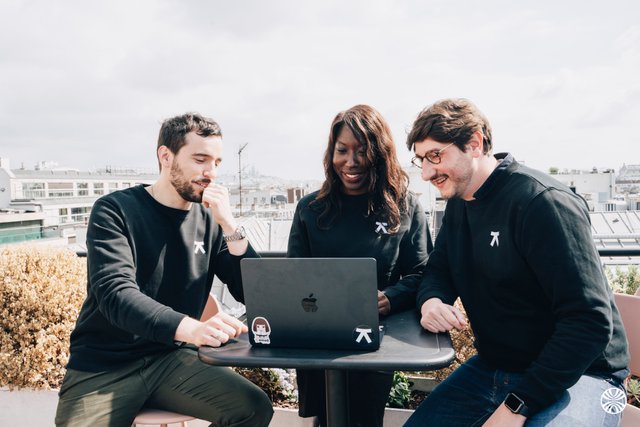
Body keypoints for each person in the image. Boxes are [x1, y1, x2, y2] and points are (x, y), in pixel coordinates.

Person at [403, 98, 629, 426]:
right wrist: (431, 301)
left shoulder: (542, 203)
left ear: (475, 143)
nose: (426, 172)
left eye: (435, 155)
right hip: (496, 368)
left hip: (584, 375)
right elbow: (439, 269)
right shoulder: (458, 202)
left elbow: (589, 323)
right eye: (421, 159)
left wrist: (516, 406)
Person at [55, 113, 273, 426]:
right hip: (105, 365)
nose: (210, 173)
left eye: (216, 162)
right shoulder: (115, 210)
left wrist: (229, 225)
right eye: (200, 159)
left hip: (172, 359)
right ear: (166, 156)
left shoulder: (210, 219)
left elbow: (256, 294)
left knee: (253, 408)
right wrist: (194, 330)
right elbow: (116, 294)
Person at [288, 104, 432, 427]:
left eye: (362, 150)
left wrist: (391, 297)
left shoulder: (403, 206)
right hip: (317, 338)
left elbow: (423, 272)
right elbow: (293, 278)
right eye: (342, 150)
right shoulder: (310, 209)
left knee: (365, 420)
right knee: (325, 420)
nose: (350, 161)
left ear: (380, 154)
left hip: (374, 343)